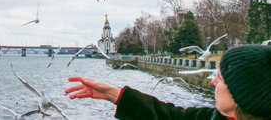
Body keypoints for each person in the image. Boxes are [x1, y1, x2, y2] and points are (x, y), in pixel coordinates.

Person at [65, 45, 270, 120]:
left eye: (222, 77)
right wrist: (114, 94)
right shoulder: (216, 117)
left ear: (243, 93)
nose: (213, 81)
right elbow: (169, 116)